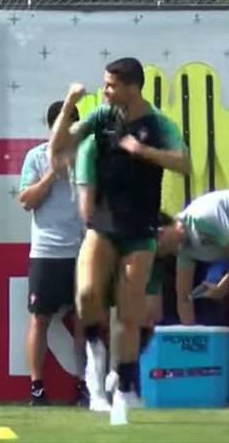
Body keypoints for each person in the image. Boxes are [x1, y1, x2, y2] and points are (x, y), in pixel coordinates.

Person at [50, 57, 190, 418]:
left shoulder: (158, 124)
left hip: (141, 229)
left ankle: (123, 384)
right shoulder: (101, 116)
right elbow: (61, 144)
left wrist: (143, 152)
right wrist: (68, 105)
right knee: (86, 294)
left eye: (111, 85)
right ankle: (96, 359)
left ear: (132, 87)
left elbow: (184, 161)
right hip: (102, 223)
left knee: (129, 313)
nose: (105, 90)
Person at [74, 136, 175, 409]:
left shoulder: (148, 239)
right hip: (103, 247)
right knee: (91, 305)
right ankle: (95, 382)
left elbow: (151, 312)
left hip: (135, 251)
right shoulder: (95, 160)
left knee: (141, 316)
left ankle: (123, 379)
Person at [18, 101, 88, 407]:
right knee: (40, 319)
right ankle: (36, 387)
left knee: (86, 320)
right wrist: (52, 174)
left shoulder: (89, 157)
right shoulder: (35, 156)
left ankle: (86, 384)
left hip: (83, 251)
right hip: (46, 251)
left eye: (73, 123)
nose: (67, 130)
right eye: (62, 123)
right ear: (51, 127)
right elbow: (26, 200)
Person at [156, 190, 229, 324]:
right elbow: (184, 298)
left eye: (162, 251)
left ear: (161, 233)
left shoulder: (201, 219)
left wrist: (221, 288)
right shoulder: (183, 248)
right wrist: (190, 337)